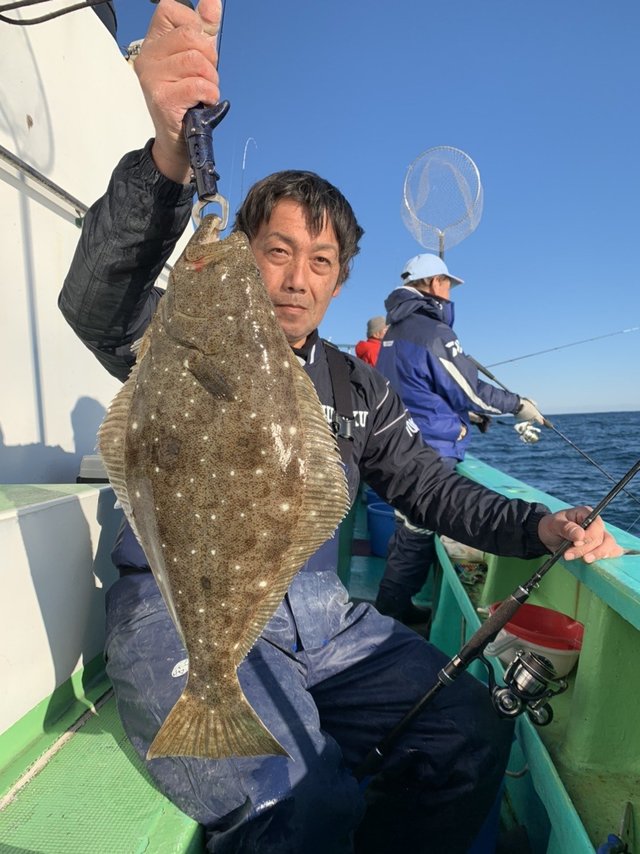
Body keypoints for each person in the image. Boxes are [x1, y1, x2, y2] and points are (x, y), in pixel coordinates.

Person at [58, 3, 621, 852]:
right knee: (298, 802)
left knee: (469, 732)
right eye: (276, 250)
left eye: (320, 262)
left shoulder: (357, 385)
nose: (294, 278)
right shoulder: (180, 334)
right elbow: (99, 303)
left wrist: (538, 522)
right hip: (179, 607)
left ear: (339, 279)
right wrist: (171, 157)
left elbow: (428, 487)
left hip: (324, 618)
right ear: (244, 251)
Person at [374, 253, 544, 624]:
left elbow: (416, 389)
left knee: (406, 528)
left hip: (398, 445)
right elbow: (472, 389)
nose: (450, 292)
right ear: (434, 283)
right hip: (429, 452)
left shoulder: (396, 330)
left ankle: (390, 606)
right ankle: (390, 615)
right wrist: (519, 405)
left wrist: (468, 416)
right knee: (417, 533)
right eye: (448, 284)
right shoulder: (433, 332)